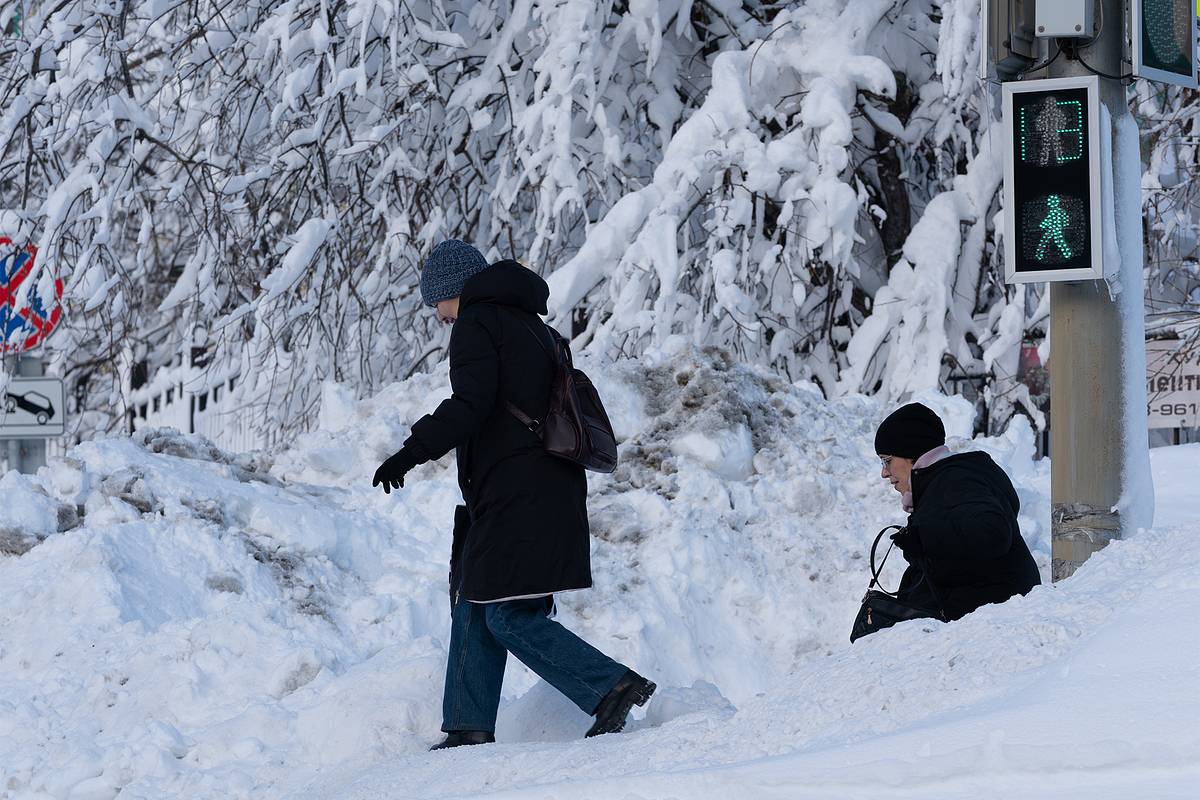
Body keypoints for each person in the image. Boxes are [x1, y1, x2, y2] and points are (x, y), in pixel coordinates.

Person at [372, 240, 655, 750]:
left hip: (520, 492)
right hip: (535, 488)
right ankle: (467, 724)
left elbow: (471, 404)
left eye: (437, 301)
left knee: (507, 613)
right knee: (476, 601)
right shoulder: (531, 325)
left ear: (454, 289)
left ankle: (610, 686)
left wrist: (410, 452)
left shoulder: (478, 323)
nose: (437, 315)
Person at [874, 402, 1041, 622]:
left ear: (910, 452)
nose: (884, 473)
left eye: (887, 461)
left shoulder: (955, 481)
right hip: (984, 621)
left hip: (994, 625)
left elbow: (992, 532)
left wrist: (925, 538)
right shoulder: (941, 483)